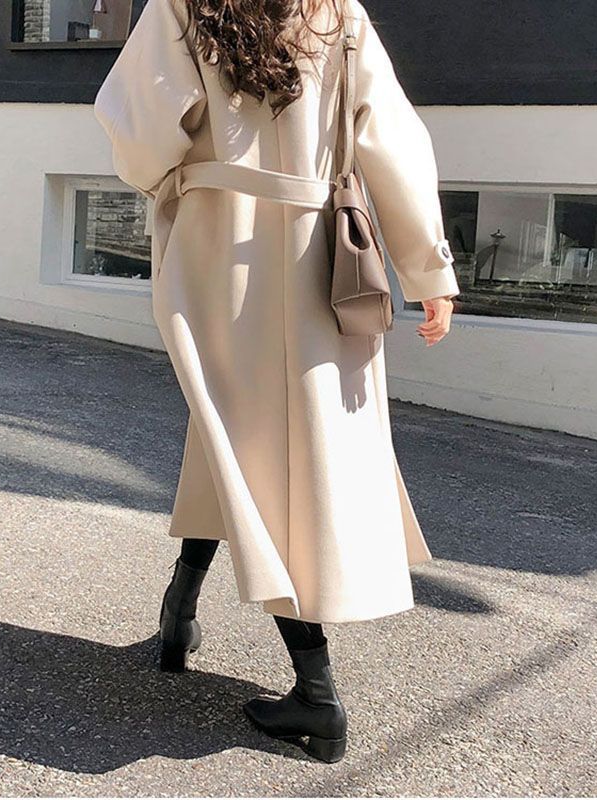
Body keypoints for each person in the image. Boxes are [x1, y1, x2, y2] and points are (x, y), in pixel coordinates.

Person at [93, 0, 459, 764]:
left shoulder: (185, 6)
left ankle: (317, 695)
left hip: (218, 251)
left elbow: (138, 129)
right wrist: (428, 268)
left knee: (247, 445)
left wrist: (175, 174)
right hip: (319, 256)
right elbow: (388, 136)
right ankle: (179, 612)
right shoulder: (336, 11)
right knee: (246, 437)